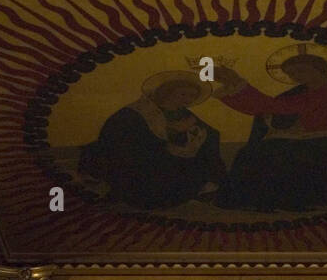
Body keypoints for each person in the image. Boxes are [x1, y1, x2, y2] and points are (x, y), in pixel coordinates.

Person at [211, 52, 327, 211]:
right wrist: (231, 85)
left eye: (301, 71)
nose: (296, 76)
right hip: (301, 139)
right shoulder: (298, 92)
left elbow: (279, 107)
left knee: (286, 155)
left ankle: (290, 200)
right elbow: (262, 109)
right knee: (250, 153)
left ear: (320, 68)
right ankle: (252, 200)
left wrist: (237, 83)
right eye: (292, 74)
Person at [78, 71, 226, 209]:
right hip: (139, 169)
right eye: (183, 94)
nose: (188, 99)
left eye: (192, 96)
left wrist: (190, 136)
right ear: (166, 92)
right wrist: (173, 134)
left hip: (171, 166)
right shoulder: (134, 113)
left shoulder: (182, 113)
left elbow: (209, 135)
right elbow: (122, 143)